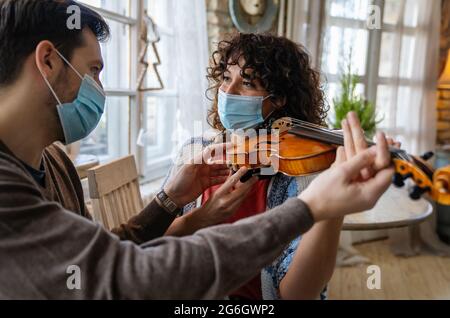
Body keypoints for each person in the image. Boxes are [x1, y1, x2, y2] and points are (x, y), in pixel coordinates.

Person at [0, 0, 393, 299]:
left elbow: (101, 256)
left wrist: (174, 200)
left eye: (249, 82)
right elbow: (126, 271)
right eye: (94, 71)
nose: (99, 88)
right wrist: (310, 209)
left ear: (278, 99)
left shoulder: (55, 164)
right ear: (48, 61)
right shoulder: (9, 186)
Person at [162, 33, 400, 300]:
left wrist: (334, 209)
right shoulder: (194, 151)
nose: (228, 92)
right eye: (226, 78)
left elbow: (297, 296)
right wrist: (201, 217)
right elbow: (150, 247)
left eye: (248, 82)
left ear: (277, 99)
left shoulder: (297, 172)